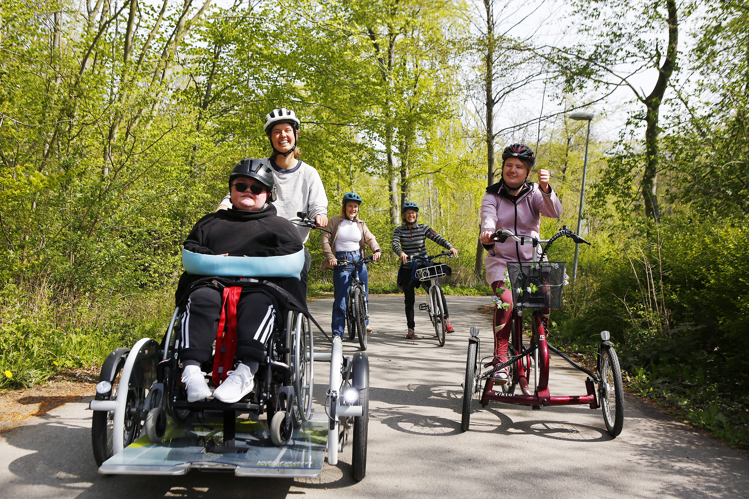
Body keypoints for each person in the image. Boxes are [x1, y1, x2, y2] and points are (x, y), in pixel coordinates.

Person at [176, 158, 306, 403]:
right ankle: (191, 371)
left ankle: (246, 371)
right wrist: (214, 257)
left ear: (267, 194)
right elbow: (191, 248)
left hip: (260, 287)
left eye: (256, 188)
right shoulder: (210, 222)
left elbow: (292, 254)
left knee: (259, 303)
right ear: (231, 190)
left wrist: (252, 258)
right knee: (201, 298)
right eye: (241, 186)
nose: (248, 191)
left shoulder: (281, 226)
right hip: (212, 284)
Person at [217, 108, 328, 292]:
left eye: (287, 130)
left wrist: (319, 215)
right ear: (270, 137)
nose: (282, 135)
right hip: (257, 241)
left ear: (296, 134)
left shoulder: (309, 174)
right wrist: (223, 206)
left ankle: (296, 311)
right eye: (277, 132)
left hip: (291, 246)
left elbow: (318, 205)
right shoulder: (258, 167)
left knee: (299, 277)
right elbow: (239, 191)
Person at [478, 143, 563, 384]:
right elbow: (488, 217)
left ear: (527, 172)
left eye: (519, 167)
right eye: (508, 165)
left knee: (545, 298)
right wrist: (488, 232)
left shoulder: (535, 192)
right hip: (501, 261)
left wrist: (546, 189)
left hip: (532, 260)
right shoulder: (492, 194)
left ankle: (538, 341)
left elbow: (553, 212)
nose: (512, 170)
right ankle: (501, 360)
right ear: (502, 168)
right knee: (505, 302)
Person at [391, 202, 458, 339]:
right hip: (408, 266)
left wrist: (450, 247)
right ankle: (411, 328)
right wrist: (401, 253)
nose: (411, 215)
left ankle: (446, 320)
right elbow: (394, 243)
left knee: (437, 289)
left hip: (423, 264)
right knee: (409, 299)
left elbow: (437, 237)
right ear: (404, 215)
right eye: (408, 213)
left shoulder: (423, 228)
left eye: (413, 213)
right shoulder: (399, 230)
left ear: (416, 215)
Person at [321, 193, 382, 339]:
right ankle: (338, 333)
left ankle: (364, 323)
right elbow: (325, 239)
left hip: (359, 260)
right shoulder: (335, 221)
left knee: (364, 294)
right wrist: (330, 257)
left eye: (355, 206)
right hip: (341, 261)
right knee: (341, 299)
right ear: (345, 207)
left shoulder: (360, 224)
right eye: (350, 206)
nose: (353, 209)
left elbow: (370, 238)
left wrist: (376, 250)